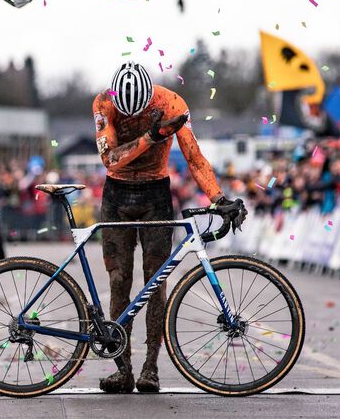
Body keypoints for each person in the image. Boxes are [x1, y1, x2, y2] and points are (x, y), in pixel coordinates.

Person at [92, 61, 246, 394]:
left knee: (155, 282)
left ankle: (150, 368)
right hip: (116, 194)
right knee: (119, 282)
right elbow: (110, 160)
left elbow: (194, 156)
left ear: (150, 98)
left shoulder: (170, 103)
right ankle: (123, 369)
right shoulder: (104, 102)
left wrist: (218, 198)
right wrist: (151, 136)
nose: (130, 118)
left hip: (155, 194)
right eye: (125, 114)